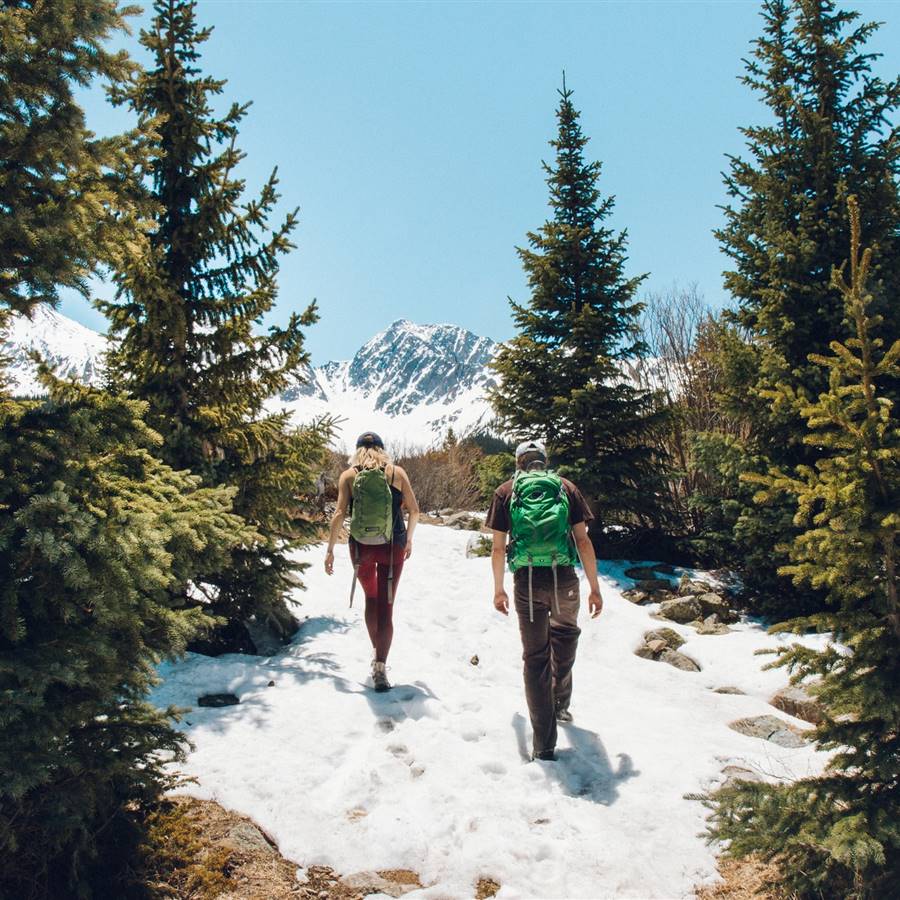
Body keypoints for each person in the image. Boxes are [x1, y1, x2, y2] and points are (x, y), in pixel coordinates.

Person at [486, 439, 603, 761]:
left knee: (536, 658)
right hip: (563, 576)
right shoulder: (565, 487)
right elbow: (582, 540)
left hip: (526, 582)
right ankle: (561, 702)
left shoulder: (506, 491)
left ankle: (544, 745)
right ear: (544, 462)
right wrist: (594, 586)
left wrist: (499, 589)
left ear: (519, 462)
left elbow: (497, 547)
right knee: (565, 637)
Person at [325, 432, 419, 691]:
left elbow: (339, 514)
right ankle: (380, 665)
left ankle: (375, 652)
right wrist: (408, 539)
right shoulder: (396, 473)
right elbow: (414, 510)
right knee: (386, 606)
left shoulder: (349, 476)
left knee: (372, 599)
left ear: (357, 450)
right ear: (382, 449)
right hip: (393, 548)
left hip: (361, 549)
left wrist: (330, 550)